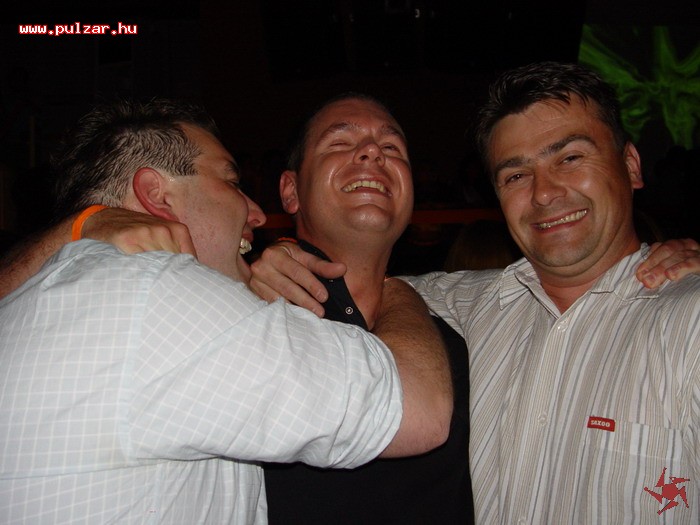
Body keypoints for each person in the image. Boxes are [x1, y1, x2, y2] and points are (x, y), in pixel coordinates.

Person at [248, 62, 700, 523]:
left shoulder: (690, 322)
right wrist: (262, 268)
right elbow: (375, 283)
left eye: (569, 158)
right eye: (516, 175)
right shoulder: (468, 305)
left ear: (631, 164)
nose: (544, 193)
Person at [0, 99, 453, 523]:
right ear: (157, 194)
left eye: (393, 147)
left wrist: (80, 224)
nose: (257, 214)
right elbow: (419, 410)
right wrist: (399, 291)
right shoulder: (165, 297)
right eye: (233, 184)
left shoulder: (76, 289)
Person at [257, 93, 473, 524]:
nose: (373, 151)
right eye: (340, 142)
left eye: (392, 147)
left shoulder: (460, 323)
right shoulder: (250, 317)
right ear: (291, 191)